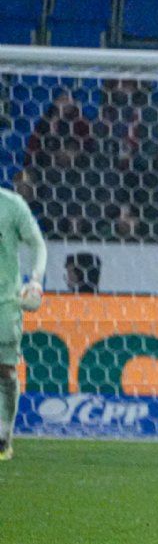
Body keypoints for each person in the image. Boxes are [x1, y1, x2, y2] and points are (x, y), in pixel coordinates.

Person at [0, 187, 45, 461]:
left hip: (5, 302)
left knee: (5, 371)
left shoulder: (11, 204)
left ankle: (4, 434)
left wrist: (35, 281)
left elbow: (38, 244)